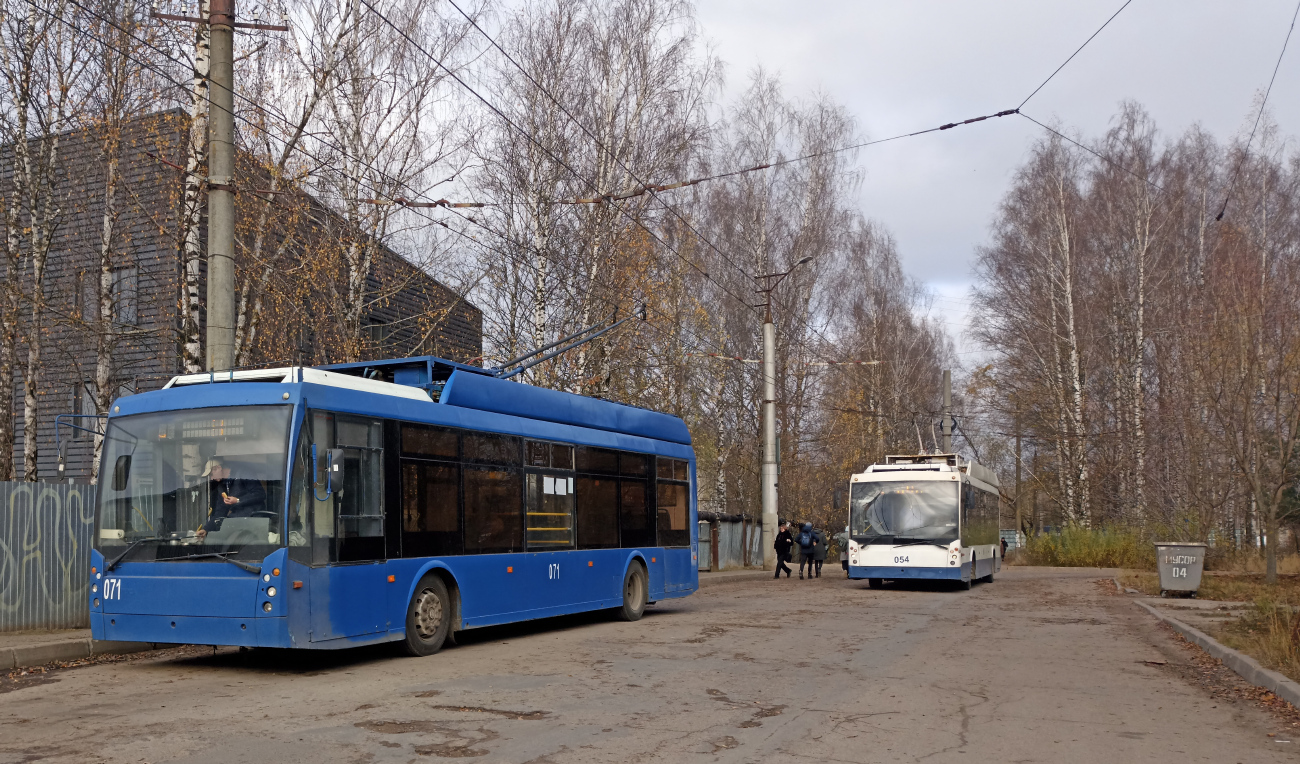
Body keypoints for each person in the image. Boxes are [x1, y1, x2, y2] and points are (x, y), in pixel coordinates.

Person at [196, 458, 267, 539]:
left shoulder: (243, 474)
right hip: (237, 523)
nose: (212, 478)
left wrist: (238, 500)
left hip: (253, 521)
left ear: (218, 468)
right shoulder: (221, 486)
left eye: (211, 474)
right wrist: (206, 529)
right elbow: (220, 511)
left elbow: (260, 494)